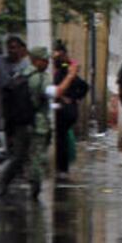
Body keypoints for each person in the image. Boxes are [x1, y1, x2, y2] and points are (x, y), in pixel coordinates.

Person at [0, 46, 51, 199]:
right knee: (36, 157)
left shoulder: (20, 74)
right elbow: (51, 93)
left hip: (20, 124)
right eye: (45, 60)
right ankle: (35, 191)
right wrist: (70, 77)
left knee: (18, 157)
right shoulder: (40, 77)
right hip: (37, 124)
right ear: (36, 60)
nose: (47, 63)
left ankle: (1, 186)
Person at [51, 41, 83, 177]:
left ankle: (62, 168)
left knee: (61, 139)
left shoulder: (65, 70)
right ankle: (62, 168)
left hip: (64, 110)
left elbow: (82, 86)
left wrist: (69, 97)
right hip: (65, 108)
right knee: (61, 138)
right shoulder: (65, 69)